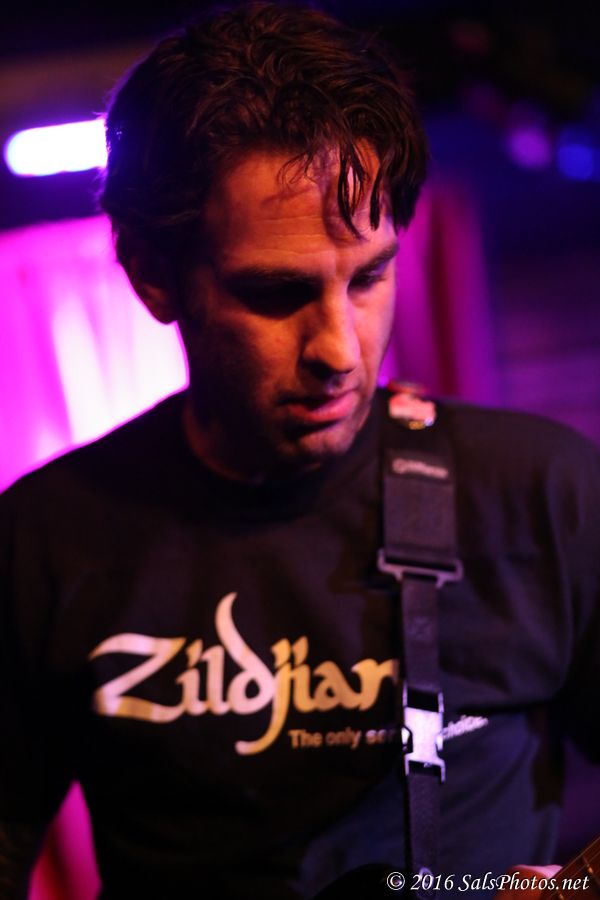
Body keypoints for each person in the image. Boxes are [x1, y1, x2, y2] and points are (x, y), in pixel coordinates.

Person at [1, 3, 599, 898]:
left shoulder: (543, 490)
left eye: (369, 277)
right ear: (154, 275)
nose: (340, 351)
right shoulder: (43, 540)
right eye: (276, 294)